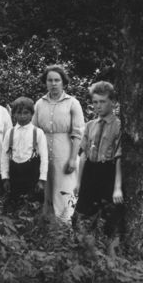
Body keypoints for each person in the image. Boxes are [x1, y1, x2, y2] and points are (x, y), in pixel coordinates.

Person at [74, 81, 124, 256]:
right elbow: (83, 155)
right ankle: (89, 254)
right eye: (95, 102)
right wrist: (79, 182)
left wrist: (117, 187)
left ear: (113, 102)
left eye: (102, 102)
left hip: (108, 173)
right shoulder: (90, 125)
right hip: (90, 172)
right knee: (80, 217)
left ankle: (112, 259)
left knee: (111, 219)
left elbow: (119, 157)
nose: (98, 106)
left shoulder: (119, 126)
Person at [32, 65, 85, 222]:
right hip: (44, 153)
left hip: (65, 152)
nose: (53, 83)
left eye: (57, 80)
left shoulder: (72, 103)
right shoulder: (39, 104)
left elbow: (78, 133)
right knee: (47, 190)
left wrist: (72, 158)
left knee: (64, 190)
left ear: (63, 82)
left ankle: (65, 227)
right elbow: (33, 131)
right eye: (50, 80)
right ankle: (49, 229)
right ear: (45, 82)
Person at [0, 97, 49, 207]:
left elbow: (44, 158)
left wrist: (41, 180)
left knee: (32, 204)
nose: (22, 116)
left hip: (32, 174)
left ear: (32, 114)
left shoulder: (38, 132)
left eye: (26, 113)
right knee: (14, 204)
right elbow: (4, 156)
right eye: (19, 113)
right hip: (14, 174)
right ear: (13, 114)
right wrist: (5, 177)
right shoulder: (10, 132)